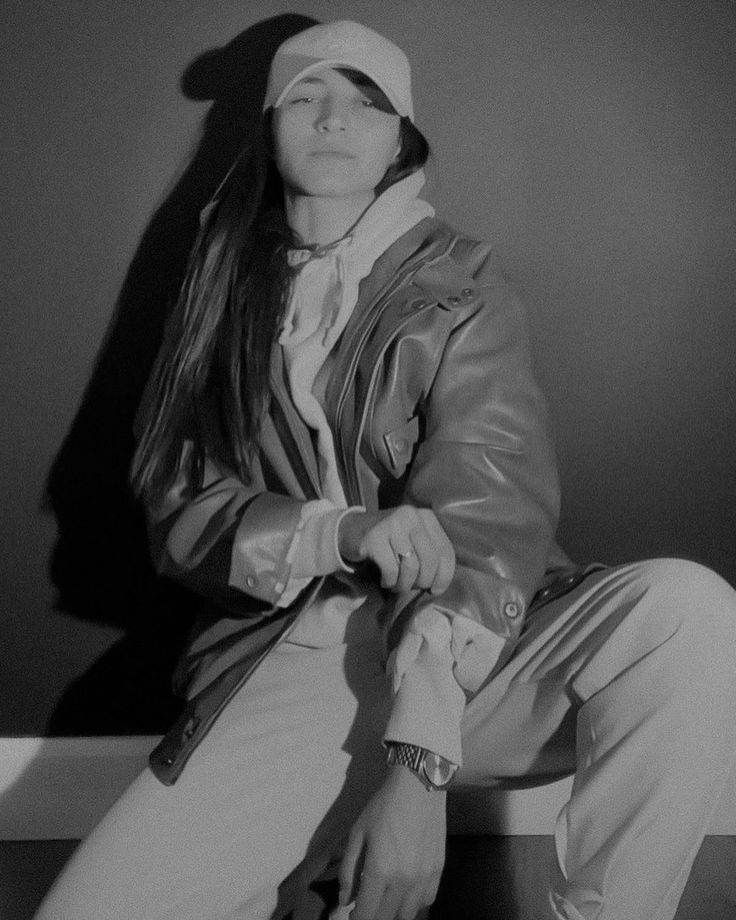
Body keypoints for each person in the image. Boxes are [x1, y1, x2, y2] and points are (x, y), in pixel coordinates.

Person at [35, 19, 736, 920]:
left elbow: (487, 513)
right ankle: (305, 856)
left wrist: (417, 770)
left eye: (365, 103)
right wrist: (341, 530)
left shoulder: (461, 284)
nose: (335, 120)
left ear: (399, 138)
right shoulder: (215, 281)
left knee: (686, 612)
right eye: (308, 97)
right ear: (270, 126)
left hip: (469, 655)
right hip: (291, 658)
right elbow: (179, 507)